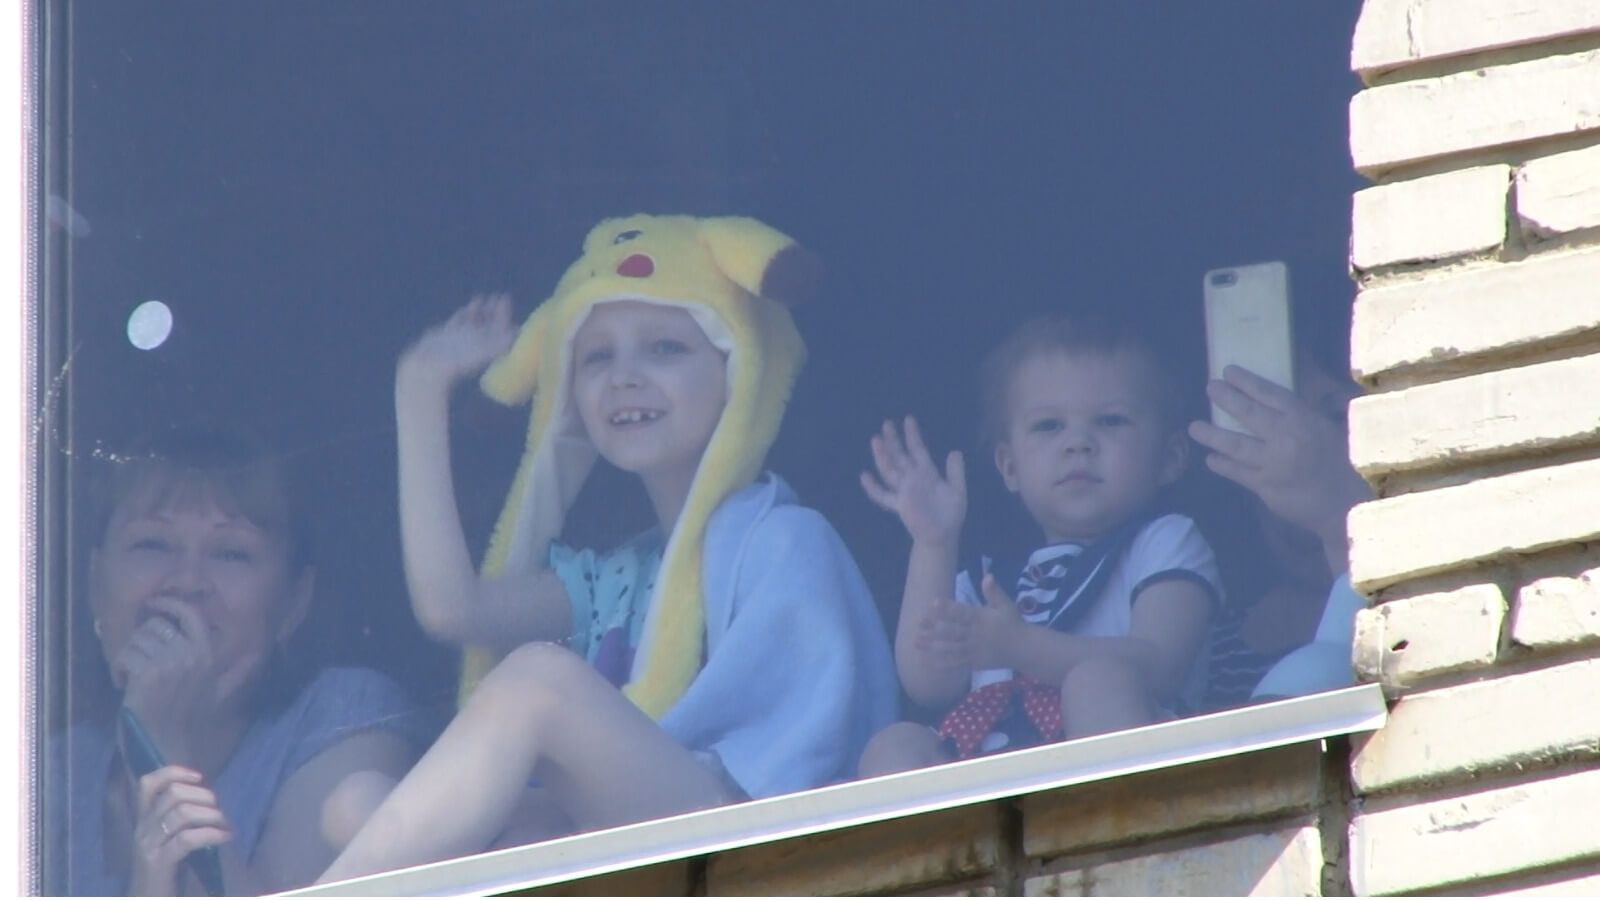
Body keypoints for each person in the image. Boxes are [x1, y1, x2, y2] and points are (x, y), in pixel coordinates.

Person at [317, 214, 896, 883]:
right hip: (638, 845)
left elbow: (790, 768)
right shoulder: (623, 575)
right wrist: (419, 387)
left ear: (740, 366)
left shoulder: (785, 538)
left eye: (665, 348)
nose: (624, 377)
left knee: (539, 681)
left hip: (751, 849)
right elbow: (454, 607)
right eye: (597, 357)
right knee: (356, 802)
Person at [45, 426, 428, 896]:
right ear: (95, 586)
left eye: (231, 553)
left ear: (293, 602)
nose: (187, 582)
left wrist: (159, 747)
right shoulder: (45, 776)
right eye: (152, 545)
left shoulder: (345, 719)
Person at [857, 314, 1221, 775]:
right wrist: (933, 543)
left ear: (1169, 458)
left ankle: (1117, 817)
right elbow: (927, 684)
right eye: (1049, 426)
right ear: (1009, 467)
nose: (1078, 443)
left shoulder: (1166, 542)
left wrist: (1020, 646)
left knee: (1098, 681)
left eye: (1111, 421)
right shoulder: (992, 582)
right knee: (894, 744)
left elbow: (1162, 666)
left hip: (1120, 768)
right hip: (998, 771)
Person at [1190, 353, 1373, 708]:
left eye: (1334, 416)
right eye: (1267, 429)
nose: (1295, 452)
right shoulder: (1203, 643)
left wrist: (1348, 522)